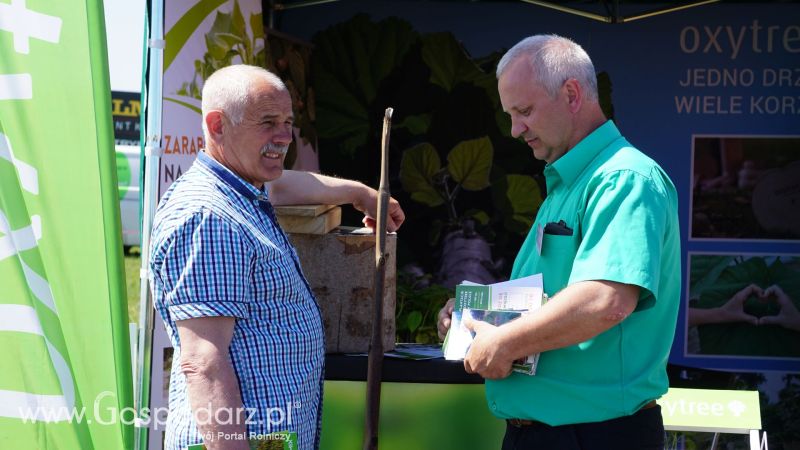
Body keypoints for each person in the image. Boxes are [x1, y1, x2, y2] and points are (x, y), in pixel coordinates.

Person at [437, 34, 680, 450]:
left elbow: (606, 299)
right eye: (511, 114)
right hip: (552, 433)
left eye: (524, 111)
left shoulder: (623, 179)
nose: (514, 130)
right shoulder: (570, 181)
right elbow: (551, 295)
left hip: (596, 435)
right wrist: (474, 312)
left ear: (571, 94)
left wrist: (505, 341)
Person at [149, 64, 405, 450]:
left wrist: (359, 194)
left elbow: (283, 184)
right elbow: (204, 362)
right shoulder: (209, 217)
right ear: (217, 125)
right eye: (268, 122)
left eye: (288, 121)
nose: (284, 136)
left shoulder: (240, 188)